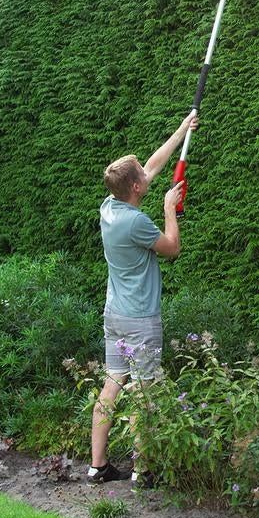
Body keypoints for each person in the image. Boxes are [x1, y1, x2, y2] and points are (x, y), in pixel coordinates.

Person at [87, 110, 199, 484]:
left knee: (112, 384)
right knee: (143, 393)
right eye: (141, 176)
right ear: (136, 187)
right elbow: (172, 248)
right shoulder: (136, 223)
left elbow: (151, 166)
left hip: (115, 314)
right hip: (140, 319)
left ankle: (98, 466)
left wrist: (182, 129)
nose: (146, 174)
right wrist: (169, 209)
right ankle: (143, 470)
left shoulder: (109, 207)